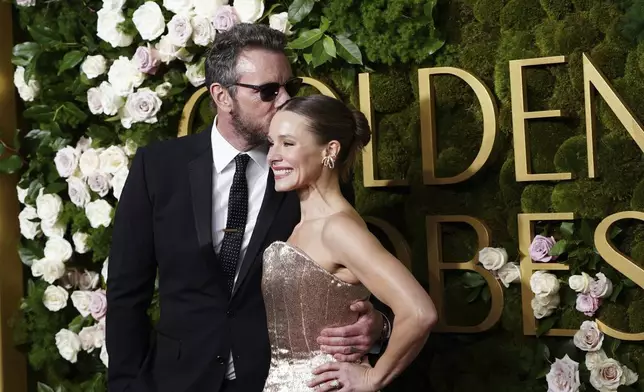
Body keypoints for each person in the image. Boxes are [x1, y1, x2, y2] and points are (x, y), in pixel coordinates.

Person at [105, 23, 389, 392]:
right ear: (222, 96)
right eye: (269, 91)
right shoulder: (157, 168)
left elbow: (353, 277)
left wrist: (379, 326)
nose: (285, 100)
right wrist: (127, 386)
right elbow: (127, 292)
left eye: (291, 87)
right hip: (177, 379)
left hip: (274, 381)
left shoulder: (311, 171)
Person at [260, 94, 437, 391]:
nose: (272, 156)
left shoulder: (338, 228)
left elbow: (420, 312)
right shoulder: (305, 226)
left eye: (288, 144)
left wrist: (372, 378)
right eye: (271, 143)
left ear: (330, 150)